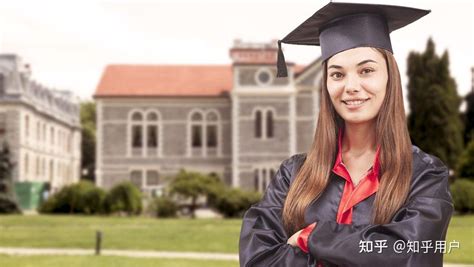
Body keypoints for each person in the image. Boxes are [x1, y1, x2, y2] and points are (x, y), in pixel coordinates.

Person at [239, 2, 454, 267]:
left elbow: (411, 253)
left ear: (390, 77)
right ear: (326, 85)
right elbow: (258, 258)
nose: (351, 86)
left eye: (366, 70)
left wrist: (312, 236)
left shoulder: (424, 176)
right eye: (337, 74)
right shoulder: (293, 175)